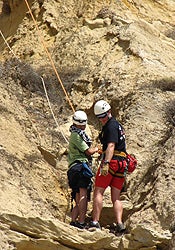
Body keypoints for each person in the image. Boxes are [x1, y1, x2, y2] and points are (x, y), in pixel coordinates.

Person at [90, 100, 127, 233]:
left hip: (112, 162)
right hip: (122, 163)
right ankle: (119, 223)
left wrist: (106, 162)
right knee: (116, 197)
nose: (102, 120)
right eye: (99, 118)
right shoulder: (117, 125)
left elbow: (111, 145)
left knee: (98, 191)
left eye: (103, 116)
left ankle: (95, 222)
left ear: (109, 112)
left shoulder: (110, 126)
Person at [67, 110, 99, 229]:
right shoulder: (76, 135)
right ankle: (81, 222)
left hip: (73, 169)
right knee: (83, 194)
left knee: (77, 197)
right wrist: (96, 149)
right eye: (82, 124)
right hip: (81, 167)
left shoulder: (74, 133)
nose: (84, 126)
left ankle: (73, 221)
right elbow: (88, 151)